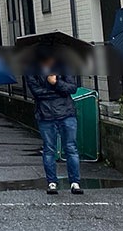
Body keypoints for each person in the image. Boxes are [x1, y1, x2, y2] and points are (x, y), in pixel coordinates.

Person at [23, 47, 83, 196]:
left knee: (71, 148)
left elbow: (72, 88)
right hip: (45, 114)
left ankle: (75, 182)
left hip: (66, 113)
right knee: (49, 149)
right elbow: (36, 92)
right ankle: (52, 182)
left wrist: (56, 83)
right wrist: (56, 88)